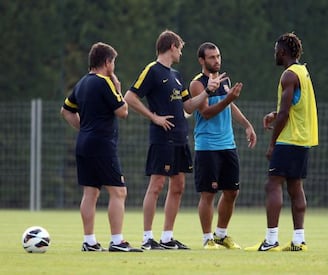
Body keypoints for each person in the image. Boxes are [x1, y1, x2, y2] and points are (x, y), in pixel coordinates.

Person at [124, 30, 226, 250]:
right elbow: (130, 97)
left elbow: (188, 106)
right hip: (162, 138)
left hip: (180, 138)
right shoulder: (152, 70)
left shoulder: (177, 75)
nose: (181, 52)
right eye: (180, 47)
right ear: (172, 47)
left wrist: (208, 91)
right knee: (157, 184)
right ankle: (147, 238)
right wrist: (154, 117)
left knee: (178, 186)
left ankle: (167, 238)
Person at [61, 42, 142, 252]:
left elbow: (66, 111)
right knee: (119, 192)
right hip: (101, 145)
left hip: (84, 144)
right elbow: (123, 111)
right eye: (113, 62)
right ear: (107, 62)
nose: (114, 66)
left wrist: (84, 129)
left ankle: (89, 242)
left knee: (90, 192)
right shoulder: (104, 82)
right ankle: (117, 242)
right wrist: (118, 89)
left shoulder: (81, 83)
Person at [245, 33, 318, 252]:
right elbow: (293, 106)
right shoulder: (302, 72)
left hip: (288, 139)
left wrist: (272, 143)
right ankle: (298, 240)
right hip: (303, 138)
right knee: (295, 187)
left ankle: (271, 240)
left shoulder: (288, 75)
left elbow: (286, 112)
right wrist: (275, 114)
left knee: (272, 184)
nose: (274, 53)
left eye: (276, 49)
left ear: (283, 52)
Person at [189, 42, 257, 249]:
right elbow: (206, 113)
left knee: (232, 192)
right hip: (207, 146)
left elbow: (231, 105)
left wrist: (247, 125)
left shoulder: (223, 80)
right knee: (208, 194)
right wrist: (228, 99)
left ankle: (221, 234)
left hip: (228, 144)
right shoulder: (197, 84)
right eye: (211, 57)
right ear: (202, 60)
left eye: (218, 56)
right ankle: (207, 238)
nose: (216, 60)